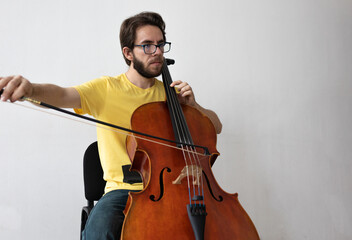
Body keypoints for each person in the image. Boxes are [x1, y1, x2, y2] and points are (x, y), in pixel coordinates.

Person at [0, 12, 222, 240]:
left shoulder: (173, 95)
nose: (157, 52)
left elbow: (215, 127)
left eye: (160, 44)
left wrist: (195, 106)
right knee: (99, 232)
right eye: (147, 46)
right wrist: (32, 90)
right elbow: (64, 94)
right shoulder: (106, 89)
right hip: (123, 191)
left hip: (176, 188)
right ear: (128, 53)